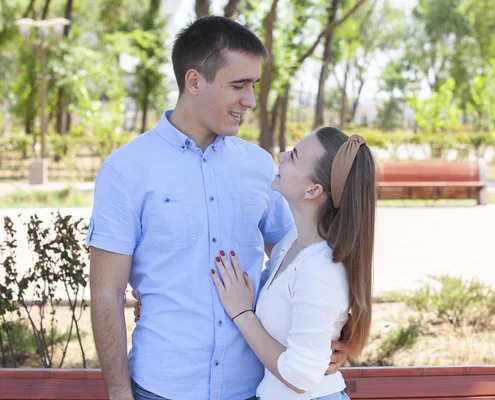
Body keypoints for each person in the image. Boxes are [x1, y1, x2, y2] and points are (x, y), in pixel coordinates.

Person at [88, 16, 347, 400]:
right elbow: (106, 292)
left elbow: (303, 258)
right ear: (194, 82)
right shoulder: (126, 171)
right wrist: (119, 392)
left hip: (254, 389)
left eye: (253, 86)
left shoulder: (262, 168)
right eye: (238, 85)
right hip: (162, 388)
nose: (250, 100)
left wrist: (339, 333)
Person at [210, 127, 377, 399]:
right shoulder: (290, 244)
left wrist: (242, 314)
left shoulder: (320, 267)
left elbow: (301, 376)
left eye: (294, 156)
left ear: (312, 190)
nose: (281, 155)